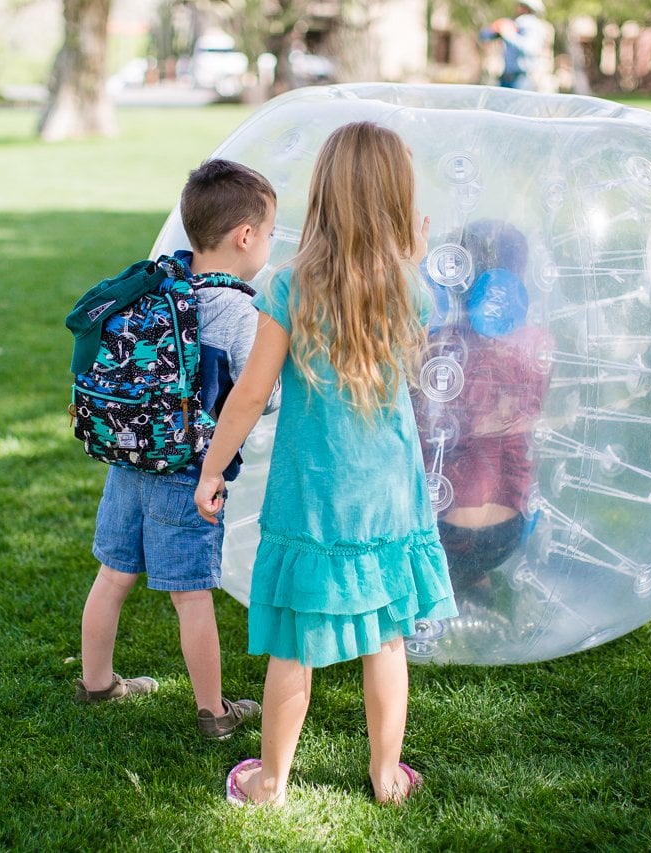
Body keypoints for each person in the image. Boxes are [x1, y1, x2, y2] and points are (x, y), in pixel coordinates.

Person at [194, 122, 458, 805]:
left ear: (324, 195)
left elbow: (251, 392)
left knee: (295, 642)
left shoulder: (289, 285)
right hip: (389, 494)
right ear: (397, 201)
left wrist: (212, 467)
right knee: (386, 638)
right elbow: (413, 364)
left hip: (314, 493)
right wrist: (415, 261)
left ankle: (270, 780)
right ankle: (385, 775)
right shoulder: (408, 285)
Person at [76, 158, 277, 741]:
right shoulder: (239, 310)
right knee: (191, 598)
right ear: (246, 237)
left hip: (129, 457)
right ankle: (215, 713)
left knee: (112, 577)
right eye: (267, 233)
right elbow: (258, 397)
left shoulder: (157, 283)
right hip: (188, 472)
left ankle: (96, 683)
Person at [417, 220, 552, 597]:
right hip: (510, 531)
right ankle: (478, 577)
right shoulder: (539, 343)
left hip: (442, 532)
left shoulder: (433, 346)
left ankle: (453, 578)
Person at [480, 0, 551, 90]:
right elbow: (484, 36)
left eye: (522, 6)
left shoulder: (533, 25)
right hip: (506, 78)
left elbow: (531, 49)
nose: (518, 8)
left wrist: (508, 35)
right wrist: (495, 30)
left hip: (523, 80)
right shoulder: (513, 23)